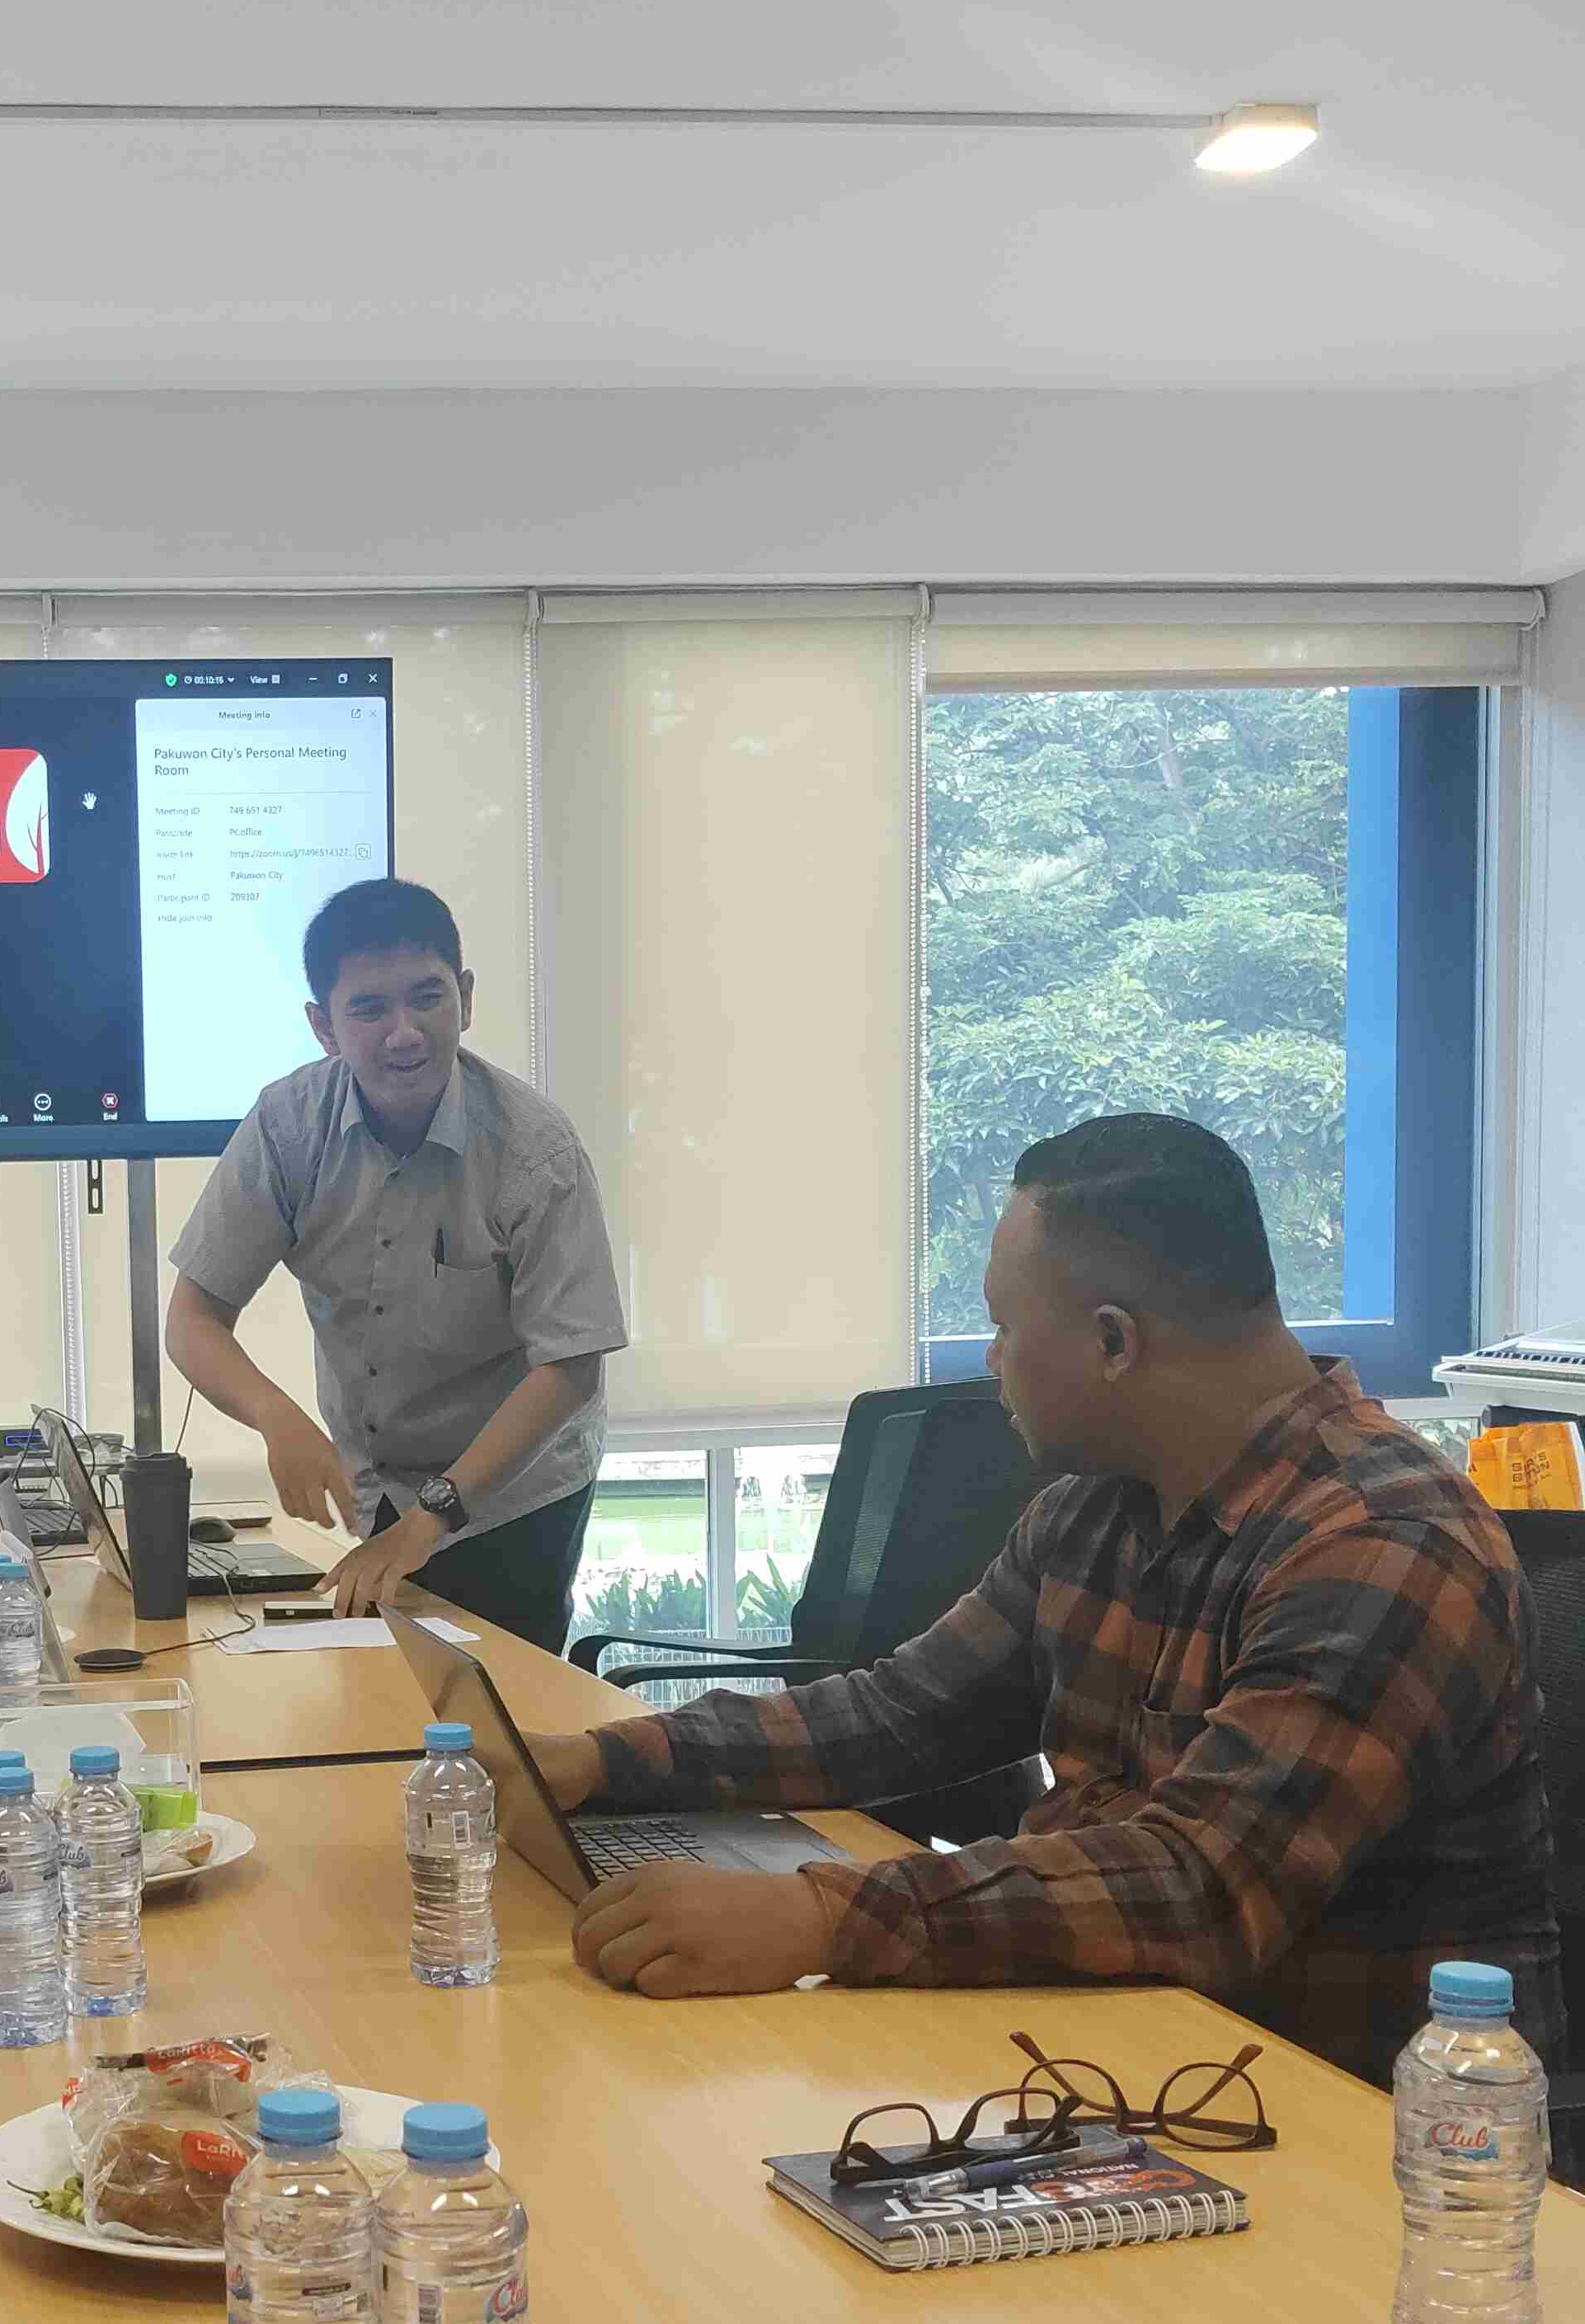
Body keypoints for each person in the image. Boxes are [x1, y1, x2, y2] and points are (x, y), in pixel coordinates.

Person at [527, 1113, 1563, 2089]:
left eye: (1001, 1326)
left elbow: (1201, 1886)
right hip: (1119, 2060)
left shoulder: (1380, 1541)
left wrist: (817, 1919)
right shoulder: (1096, 1508)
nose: (990, 1363)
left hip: (1353, 2129)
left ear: (1114, 1343)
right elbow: (900, 1715)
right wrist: (603, 1762)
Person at [163, 877, 624, 1658]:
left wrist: (434, 1516)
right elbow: (192, 1319)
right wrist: (276, 1418)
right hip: (378, 1476)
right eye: (370, 1009)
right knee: (375, 1695)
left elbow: (571, 1365)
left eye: (427, 998)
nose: (404, 1033)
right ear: (324, 1026)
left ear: (465, 1000)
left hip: (515, 1494)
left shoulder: (534, 1151)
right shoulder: (287, 1127)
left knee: (499, 1706)